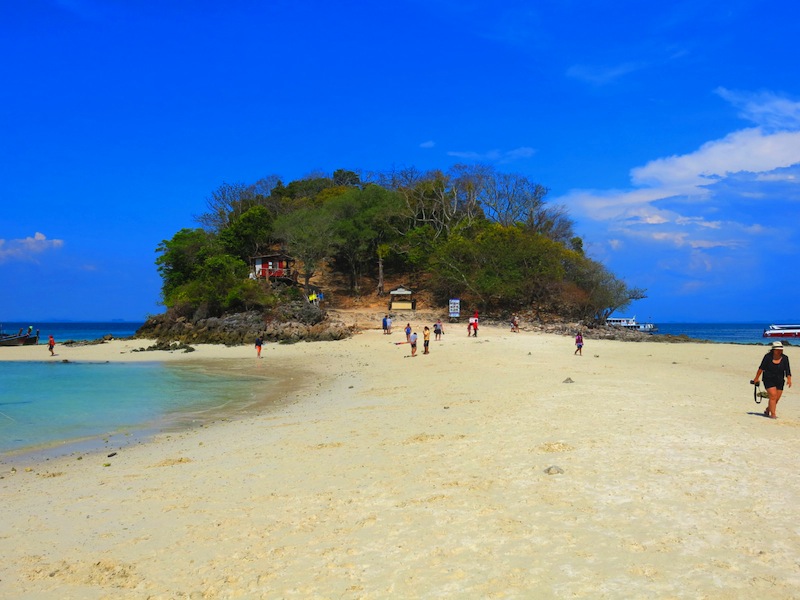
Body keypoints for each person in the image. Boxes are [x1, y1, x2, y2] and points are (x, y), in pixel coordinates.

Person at [752, 341, 792, 419]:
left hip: (780, 380)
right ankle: (773, 414)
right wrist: (756, 378)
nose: (780, 351)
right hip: (768, 379)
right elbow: (761, 368)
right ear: (773, 350)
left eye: (781, 349)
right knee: (773, 396)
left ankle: (768, 409)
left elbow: (787, 370)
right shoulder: (767, 357)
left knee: (776, 399)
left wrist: (789, 379)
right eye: (778, 349)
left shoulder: (785, 358)